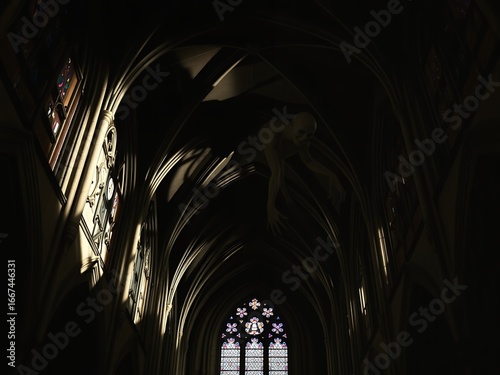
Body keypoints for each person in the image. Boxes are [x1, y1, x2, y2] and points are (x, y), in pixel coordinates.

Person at [263, 112, 346, 235]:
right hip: (259, 152)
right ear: (292, 125)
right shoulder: (273, 134)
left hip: (279, 160)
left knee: (287, 195)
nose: (304, 138)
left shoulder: (304, 142)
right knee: (280, 181)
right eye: (301, 132)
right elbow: (276, 172)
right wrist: (270, 206)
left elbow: (309, 161)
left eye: (309, 135)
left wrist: (331, 175)